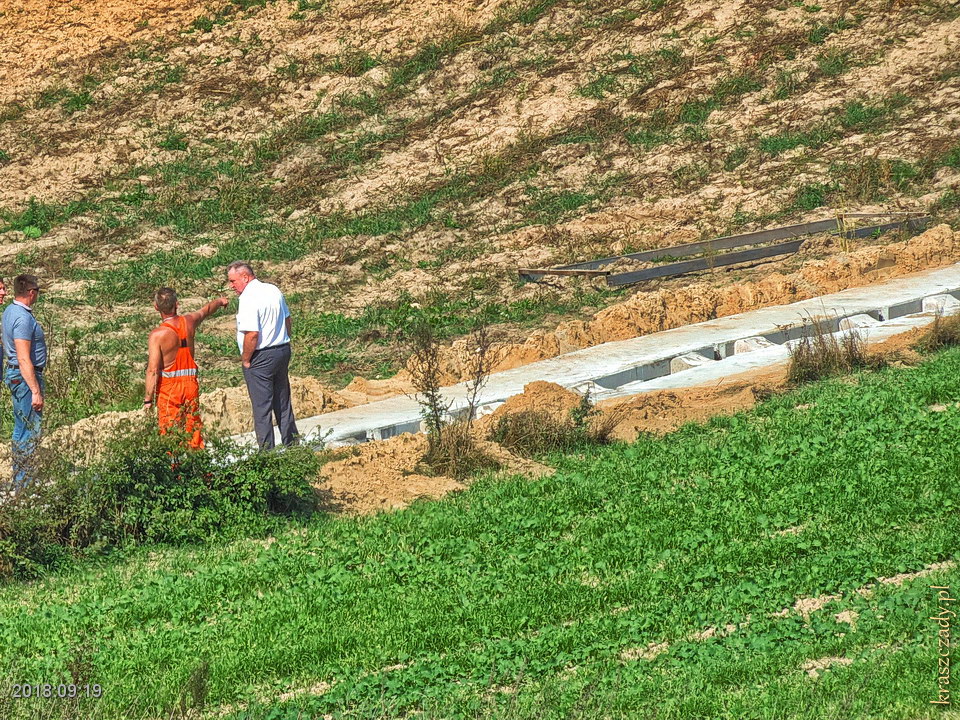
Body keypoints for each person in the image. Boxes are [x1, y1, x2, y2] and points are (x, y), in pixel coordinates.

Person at [226, 261, 298, 449]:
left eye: (233, 281)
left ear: (245, 277)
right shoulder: (272, 290)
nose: (232, 286)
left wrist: (246, 359)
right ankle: (293, 445)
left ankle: (267, 453)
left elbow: (252, 334)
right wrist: (284, 337)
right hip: (281, 350)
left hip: (261, 356)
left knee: (262, 407)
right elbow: (287, 318)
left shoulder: (248, 298)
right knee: (282, 401)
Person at [144, 288, 228, 449]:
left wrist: (148, 400)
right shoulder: (189, 321)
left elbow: (153, 370)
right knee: (193, 429)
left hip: (169, 389)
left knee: (170, 433)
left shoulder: (157, 335)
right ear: (177, 304)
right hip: (190, 385)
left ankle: (175, 471)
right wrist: (220, 301)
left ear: (156, 307)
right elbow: (206, 311)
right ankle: (197, 468)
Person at [2, 274, 47, 490]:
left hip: (17, 375)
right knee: (29, 429)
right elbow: (22, 357)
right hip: (26, 377)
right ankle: (25, 484)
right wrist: (35, 390)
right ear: (31, 292)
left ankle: (20, 479)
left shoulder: (9, 311)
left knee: (20, 428)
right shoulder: (22, 318)